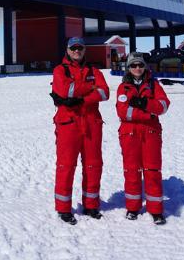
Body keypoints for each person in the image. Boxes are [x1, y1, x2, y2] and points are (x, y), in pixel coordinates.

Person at [50, 37, 110, 225]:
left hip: (91, 123)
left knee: (93, 165)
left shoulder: (94, 70)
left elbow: (105, 92)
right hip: (68, 123)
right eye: (73, 48)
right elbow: (66, 90)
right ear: (68, 50)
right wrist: (90, 87)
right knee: (66, 166)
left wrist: (82, 98)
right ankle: (63, 208)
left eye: (80, 48)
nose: (77, 51)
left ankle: (91, 205)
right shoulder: (60, 70)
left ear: (84, 50)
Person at [115, 52, 171, 225]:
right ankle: (133, 207)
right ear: (128, 68)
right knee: (131, 170)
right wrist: (148, 113)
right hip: (129, 133)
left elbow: (163, 105)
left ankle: (156, 210)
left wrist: (144, 104)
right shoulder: (123, 87)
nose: (137, 68)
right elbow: (123, 112)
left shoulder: (154, 85)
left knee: (152, 170)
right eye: (133, 65)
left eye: (140, 65)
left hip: (151, 133)